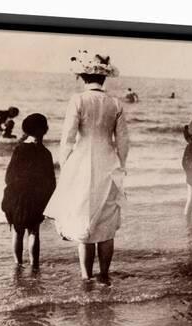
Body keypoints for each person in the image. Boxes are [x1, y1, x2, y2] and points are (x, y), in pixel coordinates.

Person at [45, 51, 129, 282]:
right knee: (106, 223)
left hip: (81, 163)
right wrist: (121, 165)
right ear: (104, 79)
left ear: (83, 77)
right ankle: (104, 275)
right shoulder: (115, 103)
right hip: (108, 163)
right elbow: (123, 142)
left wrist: (66, 165)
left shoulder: (78, 100)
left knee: (85, 220)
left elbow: (68, 138)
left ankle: (85, 276)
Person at [1, 113, 56, 269]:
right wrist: (46, 199)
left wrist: (12, 193)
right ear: (45, 130)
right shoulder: (46, 153)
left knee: (17, 231)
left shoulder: (19, 149)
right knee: (34, 232)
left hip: (17, 196)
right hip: (36, 197)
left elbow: (9, 176)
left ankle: (18, 264)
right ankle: (34, 265)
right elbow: (50, 181)